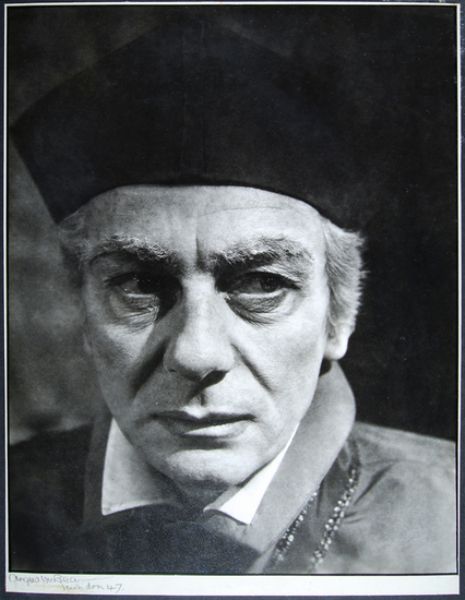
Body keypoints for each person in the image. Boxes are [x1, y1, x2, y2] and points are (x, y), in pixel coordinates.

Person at [9, 14, 456, 575]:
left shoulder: (449, 517)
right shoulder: (12, 506)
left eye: (262, 284)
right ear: (84, 313)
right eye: (140, 285)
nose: (196, 353)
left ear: (339, 317)